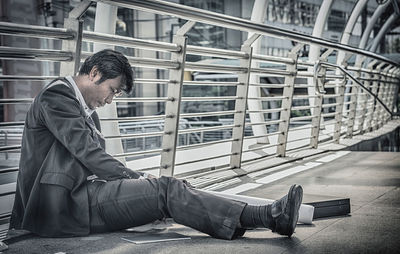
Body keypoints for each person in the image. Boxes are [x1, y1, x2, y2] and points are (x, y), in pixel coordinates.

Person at [10, 49, 303, 240]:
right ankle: (270, 216)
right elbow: (89, 154)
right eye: (112, 90)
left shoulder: (81, 106)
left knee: (170, 188)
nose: (110, 100)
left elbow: (88, 158)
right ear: (95, 73)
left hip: (84, 196)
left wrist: (135, 181)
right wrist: (135, 177)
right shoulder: (57, 97)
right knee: (164, 189)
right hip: (64, 208)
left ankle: (270, 216)